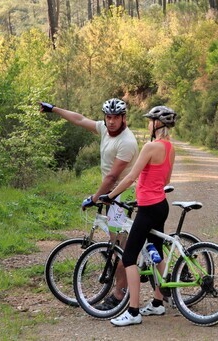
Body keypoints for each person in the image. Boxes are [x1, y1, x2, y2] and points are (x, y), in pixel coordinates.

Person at [39, 98, 139, 309]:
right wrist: (53, 109)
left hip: (121, 196)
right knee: (118, 244)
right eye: (108, 117)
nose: (111, 122)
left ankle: (119, 296)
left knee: (121, 248)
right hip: (112, 196)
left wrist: (94, 199)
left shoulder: (127, 141)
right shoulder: (104, 128)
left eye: (115, 118)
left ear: (124, 118)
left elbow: (112, 177)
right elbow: (79, 119)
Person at [98, 105, 177, 327]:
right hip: (161, 205)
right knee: (157, 253)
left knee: (129, 258)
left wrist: (110, 195)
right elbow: (166, 180)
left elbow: (131, 176)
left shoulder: (150, 147)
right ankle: (158, 302)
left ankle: (133, 312)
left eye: (151, 121)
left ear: (158, 124)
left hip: (149, 207)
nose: (149, 124)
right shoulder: (170, 148)